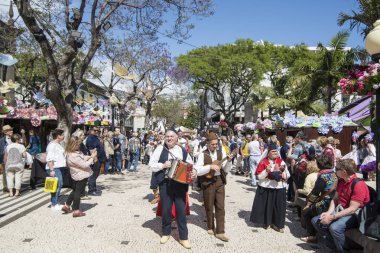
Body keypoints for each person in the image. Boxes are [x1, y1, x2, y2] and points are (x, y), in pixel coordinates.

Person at [311, 159, 370, 253]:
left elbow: (352, 209)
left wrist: (332, 217)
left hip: (355, 215)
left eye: (337, 169)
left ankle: (343, 251)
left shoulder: (359, 185)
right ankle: (334, 248)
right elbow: (335, 199)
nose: (335, 171)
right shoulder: (341, 181)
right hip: (342, 210)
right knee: (316, 221)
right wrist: (328, 213)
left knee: (335, 228)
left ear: (344, 172)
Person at [148, 130, 193, 249]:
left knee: (181, 211)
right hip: (165, 184)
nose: (169, 138)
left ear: (177, 137)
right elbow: (151, 165)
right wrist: (162, 165)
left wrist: (192, 172)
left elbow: (190, 164)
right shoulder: (159, 149)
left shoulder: (182, 150)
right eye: (167, 136)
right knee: (166, 210)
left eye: (172, 136)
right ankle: (166, 233)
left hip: (180, 185)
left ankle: (184, 237)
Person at [194, 132, 234, 242]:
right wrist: (209, 167)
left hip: (219, 181)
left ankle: (221, 231)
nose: (215, 146)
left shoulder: (222, 153)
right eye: (212, 144)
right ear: (207, 144)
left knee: (221, 206)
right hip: (208, 182)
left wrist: (229, 161)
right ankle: (210, 226)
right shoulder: (203, 154)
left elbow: (225, 170)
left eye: (216, 144)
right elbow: (198, 171)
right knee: (209, 205)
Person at [250, 142, 290, 233]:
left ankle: (277, 224)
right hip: (266, 187)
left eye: (276, 152)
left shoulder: (281, 162)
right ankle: (266, 222)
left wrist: (282, 173)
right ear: (268, 153)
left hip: (279, 187)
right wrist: (266, 171)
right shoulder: (263, 162)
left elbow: (288, 174)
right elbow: (259, 177)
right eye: (273, 152)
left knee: (278, 207)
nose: (275, 153)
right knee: (267, 206)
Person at [300, 155, 336, 243]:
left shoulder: (322, 176)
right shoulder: (333, 173)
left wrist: (308, 204)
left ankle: (312, 236)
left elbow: (315, 192)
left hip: (328, 201)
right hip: (334, 199)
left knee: (307, 212)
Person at [62, 136, 96, 217]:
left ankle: (67, 205)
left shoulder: (72, 153)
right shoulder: (73, 155)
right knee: (78, 192)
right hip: (80, 175)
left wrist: (90, 156)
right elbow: (84, 165)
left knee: (75, 190)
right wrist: (92, 158)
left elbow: (82, 157)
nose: (79, 146)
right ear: (73, 145)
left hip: (76, 175)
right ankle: (76, 210)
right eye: (77, 144)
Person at [46, 128, 66, 211]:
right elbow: (49, 158)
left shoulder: (58, 144)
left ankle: (54, 202)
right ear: (58, 136)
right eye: (62, 135)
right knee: (57, 185)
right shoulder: (52, 145)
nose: (64, 136)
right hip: (54, 168)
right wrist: (52, 170)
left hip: (58, 167)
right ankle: (54, 204)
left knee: (58, 185)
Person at [86, 127, 106, 196]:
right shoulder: (90, 138)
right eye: (95, 130)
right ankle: (91, 190)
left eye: (98, 131)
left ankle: (93, 188)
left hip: (99, 158)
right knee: (93, 175)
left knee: (95, 174)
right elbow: (91, 149)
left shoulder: (95, 137)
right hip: (95, 159)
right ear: (91, 130)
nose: (97, 132)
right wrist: (95, 159)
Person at [0, 125, 13, 192]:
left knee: (13, 173)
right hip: (4, 159)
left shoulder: (15, 138)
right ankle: (5, 187)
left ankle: (12, 186)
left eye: (11, 129)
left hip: (13, 159)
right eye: (9, 130)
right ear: (5, 132)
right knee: (5, 173)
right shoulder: (1, 141)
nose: (11, 131)